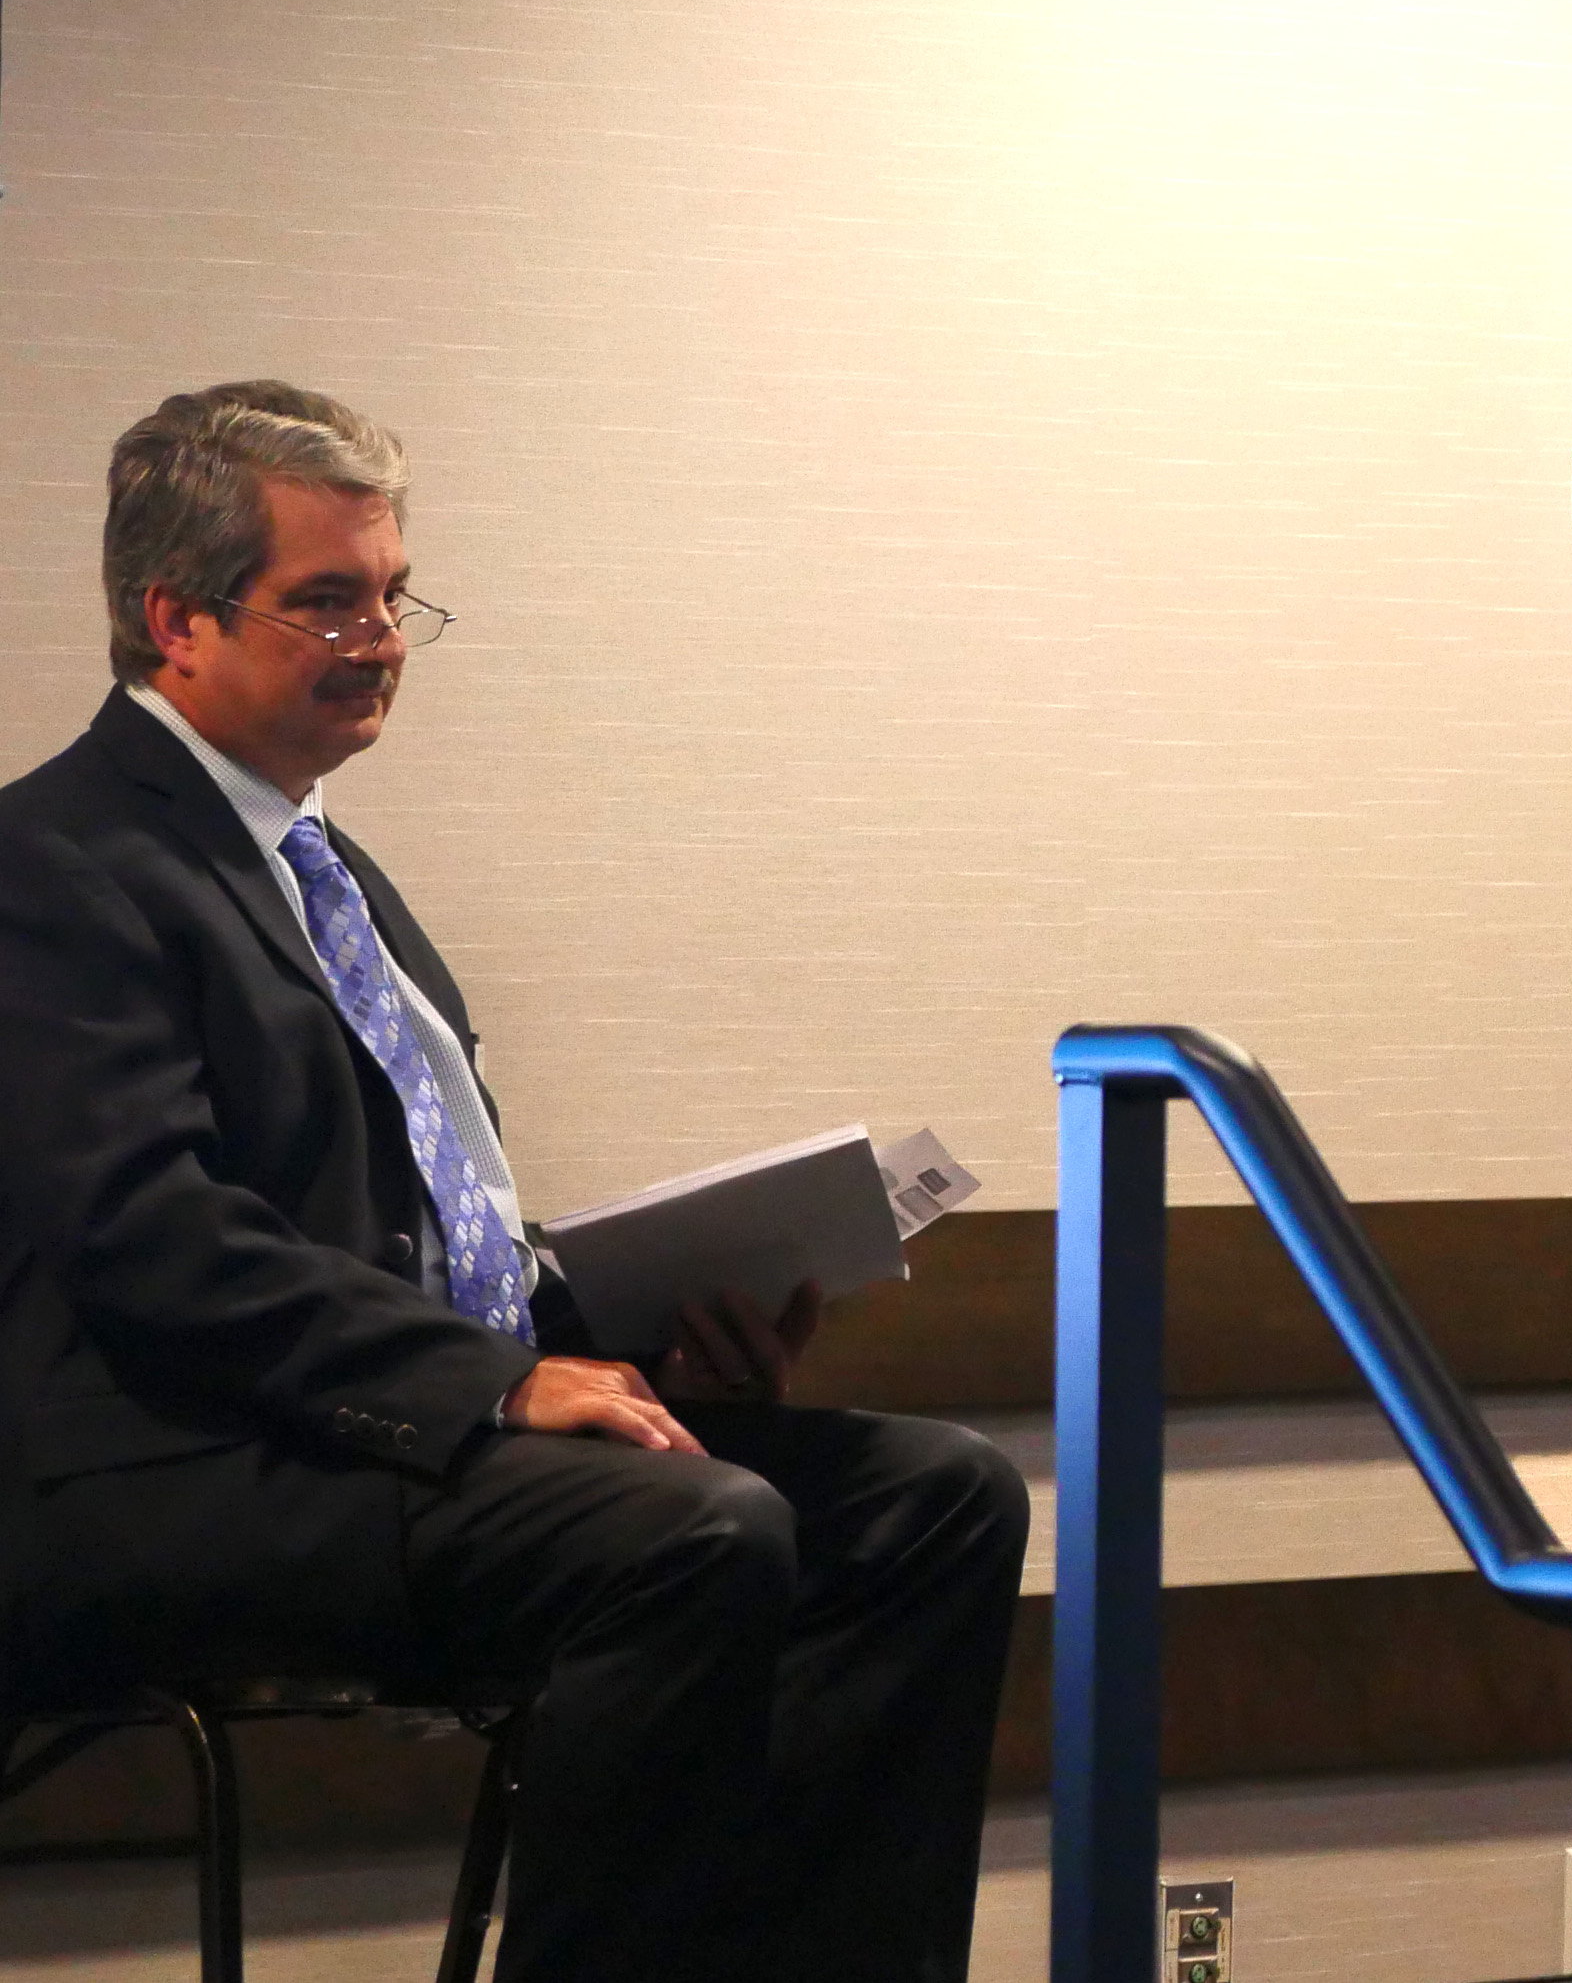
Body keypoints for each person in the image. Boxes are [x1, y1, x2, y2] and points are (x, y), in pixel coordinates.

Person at [0, 384, 1027, 1983]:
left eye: (394, 596)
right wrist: (494, 1385)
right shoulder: (54, 861)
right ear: (175, 619)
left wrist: (642, 1338)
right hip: (169, 1471)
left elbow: (421, 1227)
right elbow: (155, 1239)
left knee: (933, 1496)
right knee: (691, 1530)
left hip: (375, 1442)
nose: (381, 639)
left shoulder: (332, 872)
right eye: (328, 600)